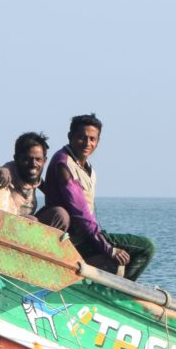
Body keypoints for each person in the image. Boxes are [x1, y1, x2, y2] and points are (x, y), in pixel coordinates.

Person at [41, 113, 154, 278]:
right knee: (146, 248)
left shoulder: (87, 168)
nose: (87, 143)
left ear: (98, 141)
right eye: (82, 137)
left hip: (87, 235)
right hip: (75, 239)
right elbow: (81, 214)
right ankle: (118, 297)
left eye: (92, 139)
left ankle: (115, 292)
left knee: (124, 258)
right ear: (70, 137)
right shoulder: (64, 164)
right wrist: (108, 248)